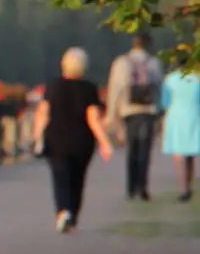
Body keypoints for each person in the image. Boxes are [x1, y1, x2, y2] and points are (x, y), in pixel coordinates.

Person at [33, 47, 113, 232]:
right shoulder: (89, 88)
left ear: (64, 65)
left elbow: (42, 114)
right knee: (78, 178)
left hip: (56, 139)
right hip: (81, 141)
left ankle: (63, 211)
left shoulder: (53, 86)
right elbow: (93, 118)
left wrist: (37, 136)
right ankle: (73, 214)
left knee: (60, 177)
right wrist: (104, 142)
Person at [105, 32, 163, 200]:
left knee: (132, 149)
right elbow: (159, 88)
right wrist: (160, 111)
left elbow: (115, 89)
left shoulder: (121, 62)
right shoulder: (154, 63)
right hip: (148, 111)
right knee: (145, 150)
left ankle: (131, 187)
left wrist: (111, 114)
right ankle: (143, 187)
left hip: (129, 111)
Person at [159, 65, 200, 201]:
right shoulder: (197, 78)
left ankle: (183, 188)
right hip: (194, 115)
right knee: (190, 154)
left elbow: (165, 102)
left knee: (179, 155)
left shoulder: (170, 79)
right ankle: (188, 185)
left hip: (175, 116)